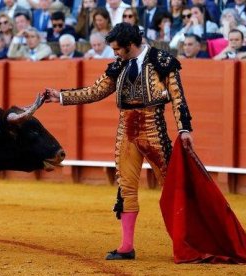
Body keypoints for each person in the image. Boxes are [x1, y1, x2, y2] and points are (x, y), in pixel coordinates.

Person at [43, 22, 193, 260]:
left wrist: (184, 129)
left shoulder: (162, 61)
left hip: (154, 129)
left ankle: (185, 244)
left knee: (171, 187)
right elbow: (95, 91)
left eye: (117, 49)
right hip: (127, 131)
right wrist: (60, 96)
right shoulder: (119, 65)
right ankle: (126, 247)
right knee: (126, 188)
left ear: (131, 45)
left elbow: (178, 98)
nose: (114, 53)